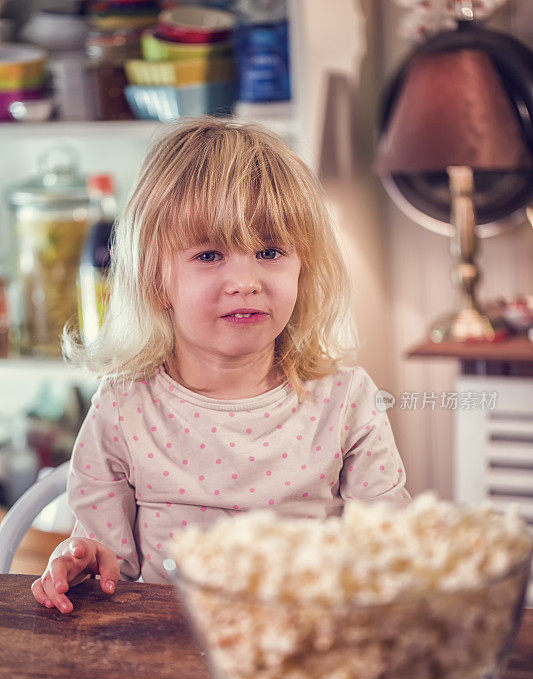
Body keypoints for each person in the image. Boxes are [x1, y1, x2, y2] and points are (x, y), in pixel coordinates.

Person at [31, 116, 410, 614]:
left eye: (270, 251)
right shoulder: (124, 407)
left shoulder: (347, 402)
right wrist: (79, 559)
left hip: (308, 648)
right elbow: (107, 569)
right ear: (156, 279)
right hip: (166, 648)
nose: (245, 280)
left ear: (304, 266)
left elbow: (394, 554)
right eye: (210, 254)